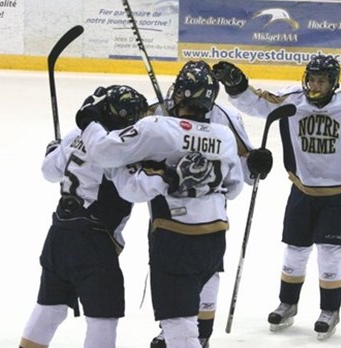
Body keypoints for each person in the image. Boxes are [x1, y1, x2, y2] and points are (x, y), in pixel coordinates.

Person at [75, 66, 261, 348]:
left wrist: (90, 123)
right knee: (190, 320)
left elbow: (104, 152)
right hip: (214, 238)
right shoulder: (223, 135)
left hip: (175, 239)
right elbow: (234, 187)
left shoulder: (157, 128)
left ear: (179, 94)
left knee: (178, 325)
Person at [212, 55, 341, 340]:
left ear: (334, 83)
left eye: (322, 80)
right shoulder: (292, 99)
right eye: (311, 78)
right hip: (301, 189)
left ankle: (330, 309)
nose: (314, 85)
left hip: (339, 194)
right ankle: (288, 303)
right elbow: (257, 103)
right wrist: (237, 85)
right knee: (295, 250)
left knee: (329, 252)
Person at [146, 60, 271, 348]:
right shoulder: (159, 110)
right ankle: (173, 328)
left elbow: (246, 168)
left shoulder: (225, 117)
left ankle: (200, 333)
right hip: (166, 210)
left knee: (208, 271)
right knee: (167, 268)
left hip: (208, 209)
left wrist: (257, 163)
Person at [19, 85, 149, 348]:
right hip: (93, 241)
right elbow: (133, 190)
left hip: (58, 234)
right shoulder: (117, 147)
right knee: (103, 317)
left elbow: (49, 171)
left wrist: (53, 149)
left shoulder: (76, 134)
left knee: (50, 307)